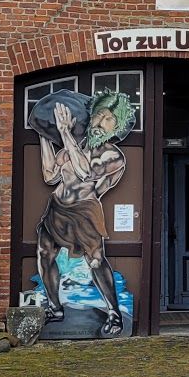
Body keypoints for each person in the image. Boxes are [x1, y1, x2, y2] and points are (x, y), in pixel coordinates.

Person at [34, 91, 134, 337]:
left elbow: (84, 173)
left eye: (109, 118)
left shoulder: (113, 156)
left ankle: (114, 313)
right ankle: (55, 307)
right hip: (58, 207)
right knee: (44, 254)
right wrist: (45, 134)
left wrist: (65, 133)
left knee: (96, 261)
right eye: (99, 114)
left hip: (85, 212)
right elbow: (50, 175)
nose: (100, 121)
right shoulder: (72, 147)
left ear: (117, 126)